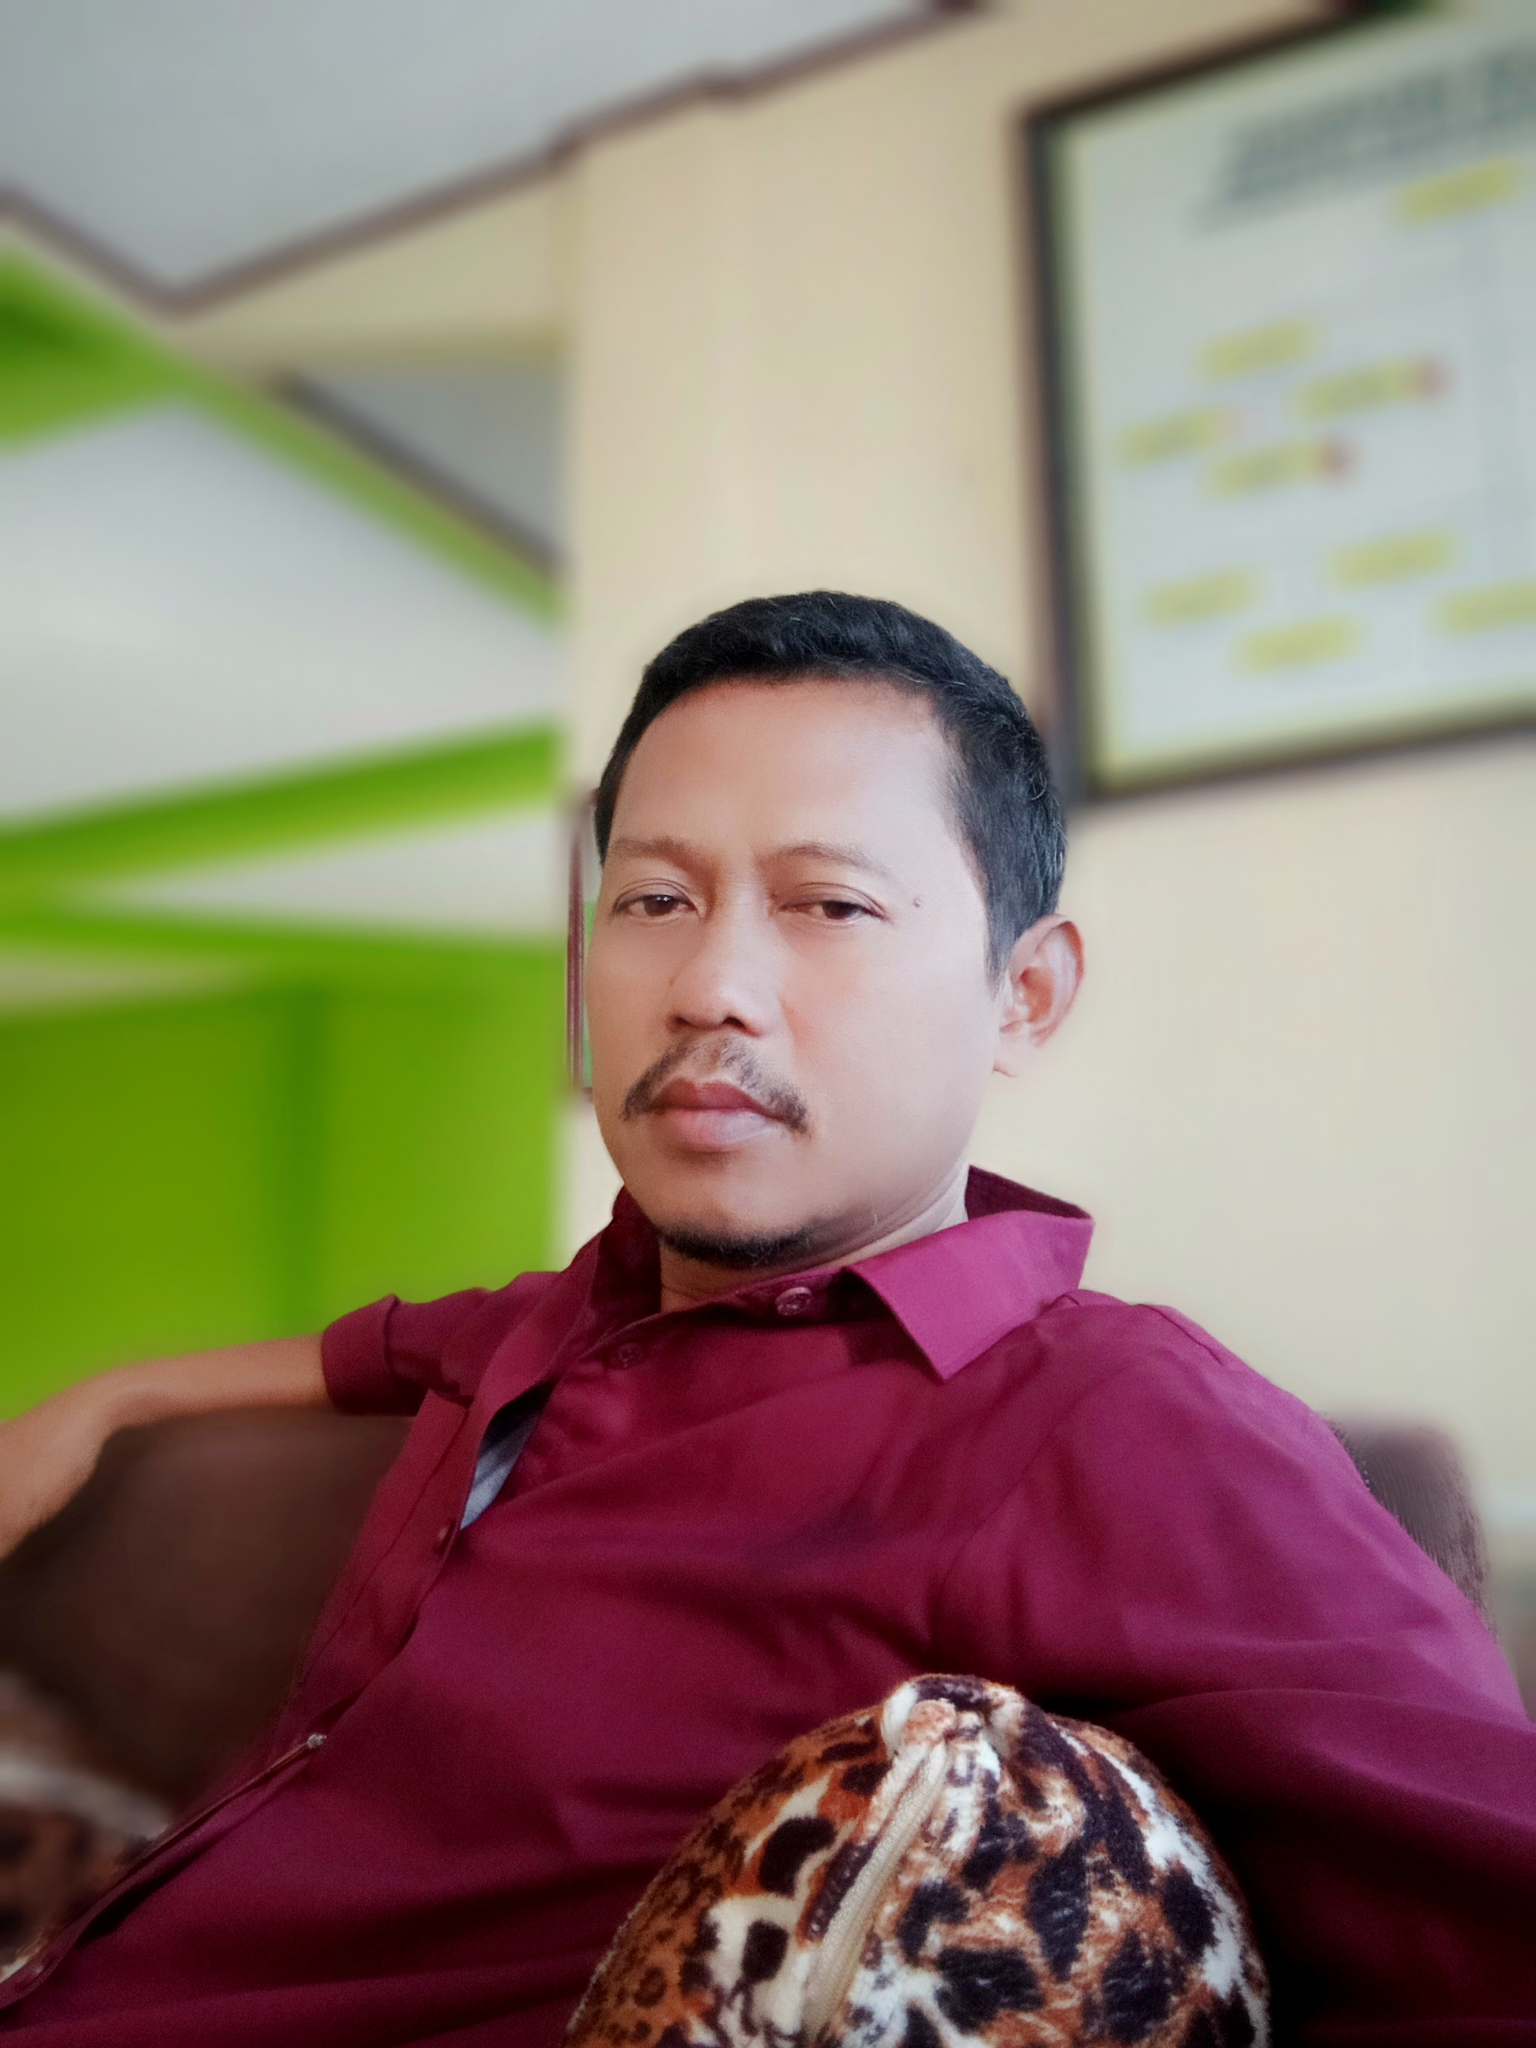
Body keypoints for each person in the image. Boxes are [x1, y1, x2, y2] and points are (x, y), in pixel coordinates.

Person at [0, 591, 1531, 2046]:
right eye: (654, 901)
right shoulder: (574, 1310)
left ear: (1025, 995)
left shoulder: (1110, 1419)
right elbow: (374, 1348)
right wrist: (114, 1400)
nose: (711, 985)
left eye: (830, 904)